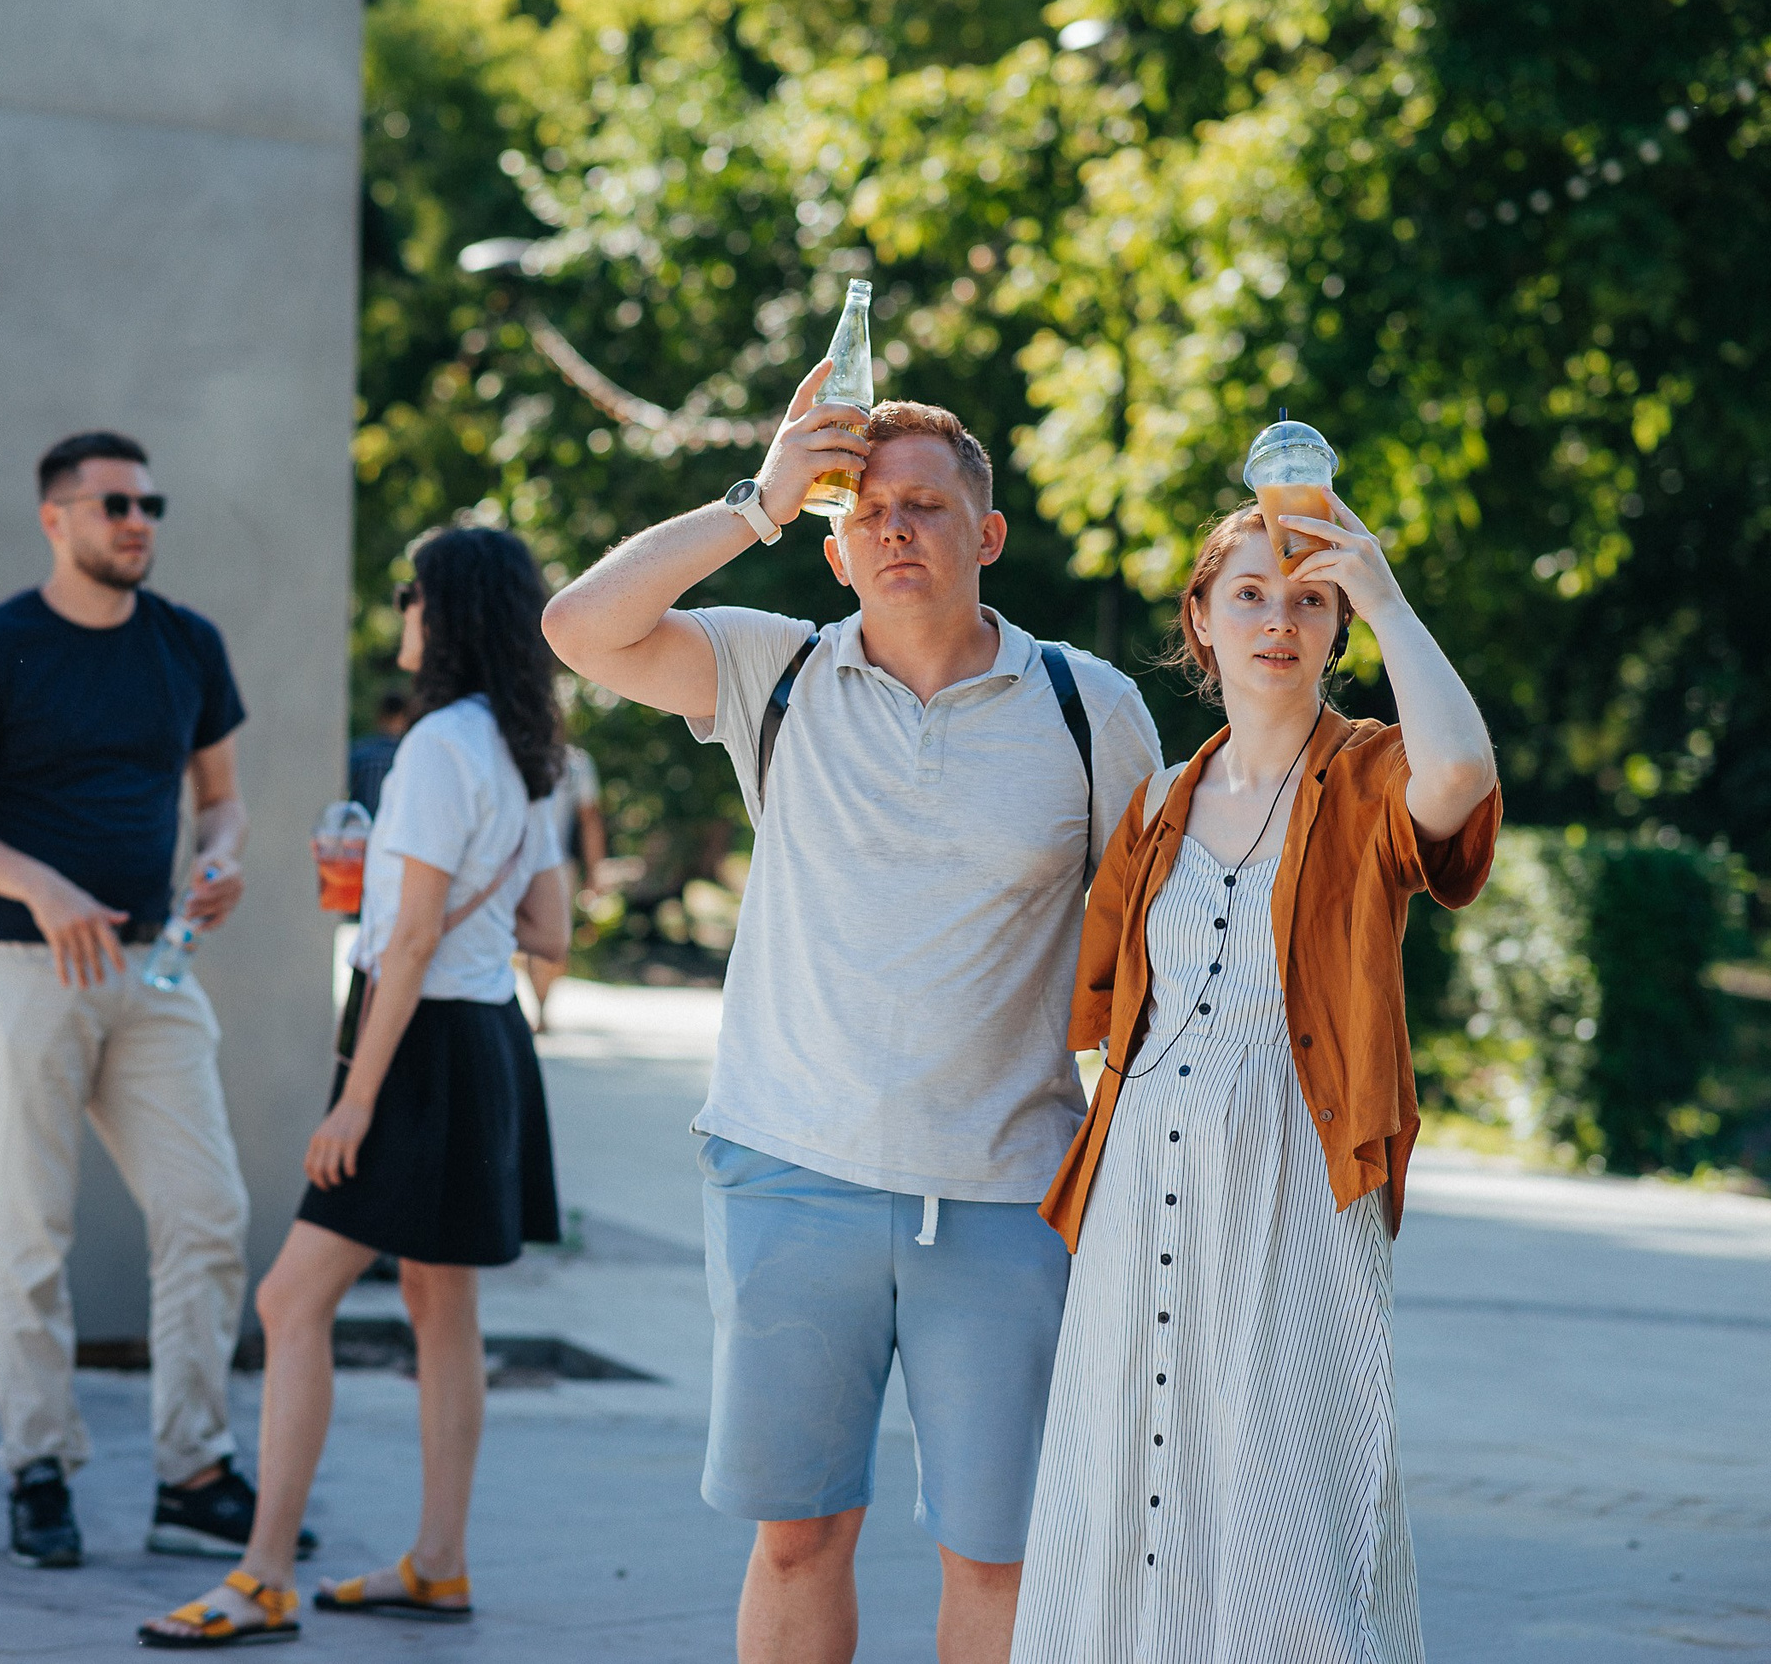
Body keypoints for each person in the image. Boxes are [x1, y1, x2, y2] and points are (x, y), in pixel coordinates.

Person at [542, 363, 1163, 1664]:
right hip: (789, 1176)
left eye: (928, 506)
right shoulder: (776, 672)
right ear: (833, 545)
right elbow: (583, 626)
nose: (896, 527)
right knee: (796, 1535)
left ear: (986, 536)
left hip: (1005, 1196)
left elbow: (1146, 961)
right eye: (867, 509)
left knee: (998, 1550)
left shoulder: (1089, 708)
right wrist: (755, 501)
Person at [1014, 495, 1500, 1661]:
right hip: (1142, 1185)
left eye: (1310, 599)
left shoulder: (1374, 773)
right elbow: (1102, 1015)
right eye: (1249, 595)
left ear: (1336, 630)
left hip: (1300, 1175)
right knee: (1127, 1483)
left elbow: (1465, 772)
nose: (1278, 620)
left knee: (1297, 1491)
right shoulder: (1155, 804)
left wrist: (1383, 590)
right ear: (1201, 620)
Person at [141, 525, 571, 1648]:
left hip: (414, 1043)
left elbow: (414, 938)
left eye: (409, 594)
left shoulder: (436, 746)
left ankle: (264, 1576)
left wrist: (356, 1098)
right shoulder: (533, 749)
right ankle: (436, 1562)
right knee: (443, 1307)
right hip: (485, 1043)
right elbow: (551, 927)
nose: (401, 612)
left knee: (291, 1301)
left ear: (447, 612)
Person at [0, 430, 289, 1568]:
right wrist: (42, 890)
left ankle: (192, 1472)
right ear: (57, 519)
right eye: (115, 504)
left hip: (156, 969)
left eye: (149, 504)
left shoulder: (186, 643)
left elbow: (220, 801)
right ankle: (39, 1466)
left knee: (208, 1212)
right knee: (30, 1228)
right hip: (22, 965)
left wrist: (222, 857)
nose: (138, 521)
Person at [521, 742, 604, 1031]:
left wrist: (595, 871)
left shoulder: (575, 763)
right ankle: (539, 1007)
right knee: (547, 939)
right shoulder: (570, 761)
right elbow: (590, 818)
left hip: (543, 861)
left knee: (545, 940)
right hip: (545, 863)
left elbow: (588, 818)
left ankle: (540, 1006)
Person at [347, 689, 411, 816]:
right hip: (395, 831)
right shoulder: (409, 755)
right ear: (404, 717)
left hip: (361, 830)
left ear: (380, 715)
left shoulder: (359, 751)